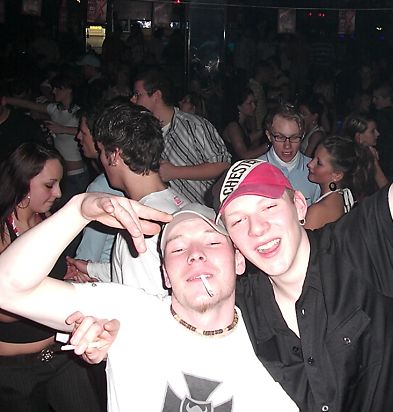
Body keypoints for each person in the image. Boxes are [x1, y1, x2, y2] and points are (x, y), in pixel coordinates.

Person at [73, 1, 393, 410]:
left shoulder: (359, 243)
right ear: (231, 243)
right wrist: (118, 335)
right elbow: (174, 320)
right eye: (237, 220)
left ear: (299, 204)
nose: (257, 228)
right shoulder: (244, 301)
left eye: (267, 208)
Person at [0, 197, 299, 412]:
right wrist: (79, 209)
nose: (195, 254)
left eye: (212, 242)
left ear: (238, 261)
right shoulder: (129, 312)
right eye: (178, 248)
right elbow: (7, 289)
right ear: (165, 274)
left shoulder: (275, 344)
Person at [0, 143, 101, 412]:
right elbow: (4, 309)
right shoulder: (2, 230)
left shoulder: (45, 218)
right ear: (22, 182)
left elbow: (52, 271)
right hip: (13, 371)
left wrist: (70, 275)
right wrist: (58, 292)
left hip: (60, 353)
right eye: (49, 185)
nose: (58, 193)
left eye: (59, 184)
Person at [68, 102, 185, 298]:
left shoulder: (137, 227)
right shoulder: (177, 200)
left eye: (101, 151)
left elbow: (138, 303)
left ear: (114, 155)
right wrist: (89, 268)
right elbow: (145, 271)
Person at [130, 68, 231, 204]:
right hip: (170, 211)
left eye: (137, 94)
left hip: (205, 210)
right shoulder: (143, 132)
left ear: (156, 95)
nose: (133, 99)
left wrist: (175, 172)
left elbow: (223, 165)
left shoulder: (194, 125)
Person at [2, 73, 89, 203]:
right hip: (60, 174)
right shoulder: (55, 109)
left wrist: (63, 129)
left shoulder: (79, 112)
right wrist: (6, 100)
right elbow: (29, 104)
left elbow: (90, 131)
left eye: (57, 88)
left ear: (68, 89)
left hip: (77, 174)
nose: (53, 91)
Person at [65, 102, 124, 282]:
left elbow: (89, 255)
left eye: (83, 132)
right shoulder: (119, 178)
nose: (78, 137)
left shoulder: (101, 188)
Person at [306, 135, 373, 229]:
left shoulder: (317, 211)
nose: (310, 164)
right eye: (313, 157)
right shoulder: (342, 199)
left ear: (337, 175)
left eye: (319, 163)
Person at [259, 103, 320, 206]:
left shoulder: (315, 170)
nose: (287, 145)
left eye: (294, 137)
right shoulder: (255, 170)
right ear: (269, 136)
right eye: (280, 137)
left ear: (303, 135)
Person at [343, 112, 388, 191]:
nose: (378, 134)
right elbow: (385, 190)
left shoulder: (370, 152)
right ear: (358, 137)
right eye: (372, 131)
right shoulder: (354, 163)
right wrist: (374, 163)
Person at [222, 87, 269, 161]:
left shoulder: (244, 122)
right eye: (249, 103)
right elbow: (244, 155)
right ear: (239, 107)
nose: (254, 106)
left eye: (254, 102)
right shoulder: (233, 127)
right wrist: (269, 145)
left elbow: (251, 140)